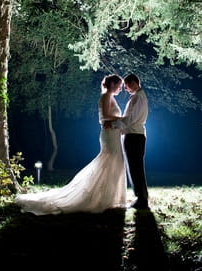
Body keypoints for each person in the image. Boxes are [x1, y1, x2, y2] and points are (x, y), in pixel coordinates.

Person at [15, 74, 127, 215]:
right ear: (112, 84)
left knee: (115, 161)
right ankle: (102, 197)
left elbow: (109, 118)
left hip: (114, 134)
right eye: (119, 86)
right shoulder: (105, 97)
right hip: (109, 135)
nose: (121, 89)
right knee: (110, 160)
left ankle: (111, 197)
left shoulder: (110, 97)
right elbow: (104, 116)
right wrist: (123, 119)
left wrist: (120, 124)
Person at [104, 73, 149, 210]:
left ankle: (141, 198)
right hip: (133, 135)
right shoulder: (138, 96)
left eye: (126, 85)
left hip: (134, 136)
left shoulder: (138, 97)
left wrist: (113, 124)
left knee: (135, 167)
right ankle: (141, 197)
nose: (125, 88)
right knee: (135, 167)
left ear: (133, 83)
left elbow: (131, 119)